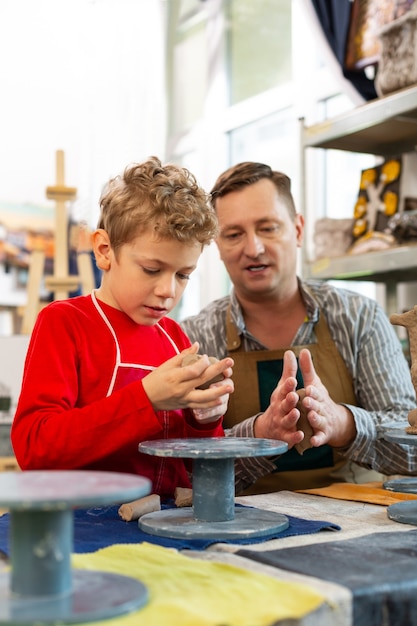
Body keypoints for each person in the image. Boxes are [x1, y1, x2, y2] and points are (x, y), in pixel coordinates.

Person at [181, 161, 417, 494]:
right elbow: (183, 468)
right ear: (217, 245)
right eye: (234, 234)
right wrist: (260, 434)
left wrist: (345, 424)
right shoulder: (194, 337)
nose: (254, 249)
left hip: (355, 521)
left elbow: (412, 449)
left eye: (268, 228)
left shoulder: (358, 316)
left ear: (298, 229)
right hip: (240, 525)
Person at [11, 157, 234, 499]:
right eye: (150, 269)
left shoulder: (174, 338)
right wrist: (146, 399)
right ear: (104, 251)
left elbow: (193, 468)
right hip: (86, 525)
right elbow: (35, 449)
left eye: (183, 275)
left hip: (166, 523)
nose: (168, 290)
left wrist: (205, 421)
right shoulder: (66, 323)